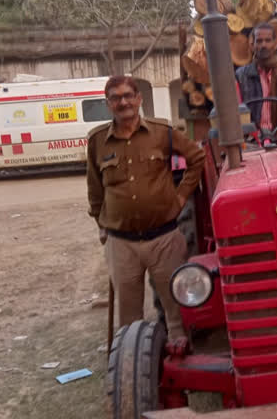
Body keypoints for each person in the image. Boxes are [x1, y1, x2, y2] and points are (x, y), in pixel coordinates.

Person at [86, 75, 205, 354]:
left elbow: (196, 158)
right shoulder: (97, 141)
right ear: (108, 104)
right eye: (115, 98)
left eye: (128, 95)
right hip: (121, 242)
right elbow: (94, 187)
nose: (123, 102)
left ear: (139, 99)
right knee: (128, 312)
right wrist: (100, 222)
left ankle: (181, 357)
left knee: (174, 306)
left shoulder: (161, 132)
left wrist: (180, 198)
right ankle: (132, 358)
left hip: (164, 237)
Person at [235, 23, 277, 137]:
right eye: (259, 41)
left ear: (275, 45)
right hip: (253, 139)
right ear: (253, 45)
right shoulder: (241, 75)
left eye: (267, 40)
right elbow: (238, 110)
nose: (263, 45)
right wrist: (252, 133)